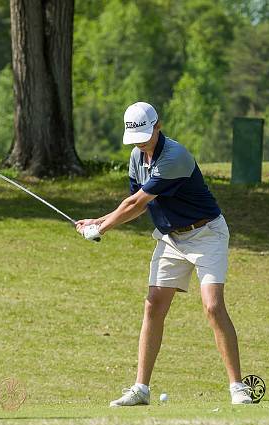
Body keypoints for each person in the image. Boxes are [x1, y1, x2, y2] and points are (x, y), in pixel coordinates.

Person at [76, 101, 253, 406]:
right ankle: (140, 389)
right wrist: (99, 221)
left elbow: (136, 205)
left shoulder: (175, 157)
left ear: (158, 126)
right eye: (137, 137)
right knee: (153, 305)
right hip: (172, 238)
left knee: (212, 306)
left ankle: (237, 387)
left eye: (146, 134)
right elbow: (133, 203)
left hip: (206, 234)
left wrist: (102, 227)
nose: (141, 142)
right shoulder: (136, 157)